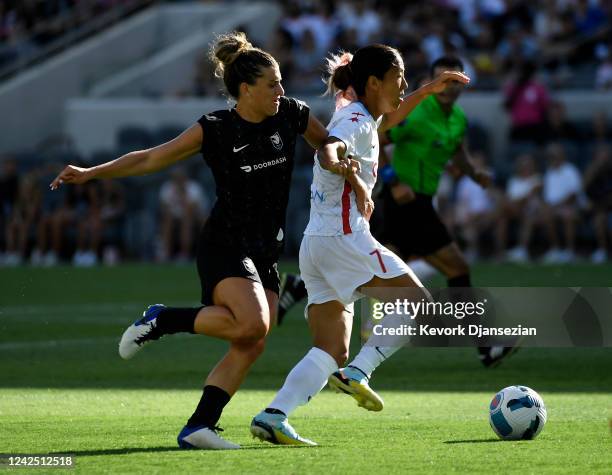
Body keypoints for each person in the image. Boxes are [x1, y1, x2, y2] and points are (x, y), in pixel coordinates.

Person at [50, 32, 330, 450]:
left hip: (265, 249)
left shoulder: (292, 114)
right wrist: (92, 172)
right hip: (225, 242)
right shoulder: (215, 128)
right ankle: (162, 320)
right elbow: (150, 157)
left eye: (280, 82)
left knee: (251, 340)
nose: (281, 90)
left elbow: (327, 143)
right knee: (252, 324)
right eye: (272, 83)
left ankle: (198, 427)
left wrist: (343, 157)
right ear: (246, 89)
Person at [250, 45, 470, 446]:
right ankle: (359, 372)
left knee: (331, 348)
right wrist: (339, 164)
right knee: (419, 303)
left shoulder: (362, 115)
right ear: (373, 82)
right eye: (398, 78)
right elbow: (331, 145)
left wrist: (426, 89)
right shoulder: (353, 121)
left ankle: (274, 415)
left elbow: (387, 119)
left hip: (316, 245)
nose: (403, 85)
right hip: (344, 239)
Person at [279, 57, 514, 368]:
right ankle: (483, 345)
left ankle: (305, 287)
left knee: (386, 271)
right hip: (404, 203)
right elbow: (376, 139)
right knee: (452, 269)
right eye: (440, 78)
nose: (448, 86)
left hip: (417, 203)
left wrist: (473, 173)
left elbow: (455, 150)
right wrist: (391, 180)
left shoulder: (456, 119)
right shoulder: (405, 116)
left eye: (454, 80)